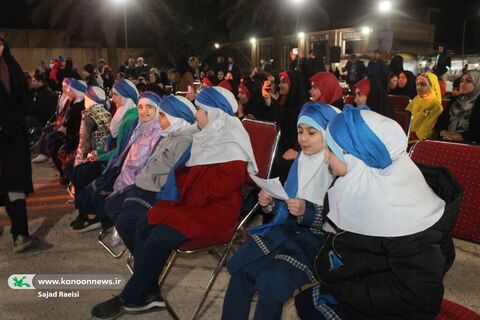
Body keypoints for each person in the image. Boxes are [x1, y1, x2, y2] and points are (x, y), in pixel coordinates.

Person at [90, 86, 257, 319]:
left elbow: (222, 187)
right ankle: (149, 292)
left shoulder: (232, 145)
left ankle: (129, 297)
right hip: (195, 203)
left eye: (199, 109)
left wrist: (185, 189)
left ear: (214, 115)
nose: (195, 114)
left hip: (216, 212)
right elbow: (189, 175)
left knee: (160, 236)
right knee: (146, 222)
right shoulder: (207, 135)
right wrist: (183, 186)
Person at [295, 106, 462, 320]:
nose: (325, 155)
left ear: (354, 157)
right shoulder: (358, 182)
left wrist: (344, 286)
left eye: (331, 149)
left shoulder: (404, 216)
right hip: (362, 282)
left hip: (391, 309)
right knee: (305, 303)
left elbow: (416, 291)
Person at [222, 102, 339, 320]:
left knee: (271, 282)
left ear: (327, 134)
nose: (303, 138)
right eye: (300, 131)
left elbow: (341, 220)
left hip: (316, 243)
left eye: (312, 132)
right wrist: (270, 202)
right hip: (285, 232)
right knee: (242, 270)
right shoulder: (301, 160)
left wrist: (308, 210)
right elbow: (288, 201)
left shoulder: (336, 166)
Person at [105, 94, 197, 252]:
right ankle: (139, 249)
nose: (158, 119)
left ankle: (141, 255)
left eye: (162, 115)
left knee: (126, 220)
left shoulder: (184, 141)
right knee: (111, 205)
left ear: (176, 117)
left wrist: (144, 183)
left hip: (156, 192)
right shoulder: (169, 134)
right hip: (144, 184)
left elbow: (174, 179)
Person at [73, 91, 164, 233]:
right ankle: (92, 216)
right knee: (84, 175)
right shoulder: (137, 125)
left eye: (149, 107)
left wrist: (103, 157)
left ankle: (106, 221)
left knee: (100, 192)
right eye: (140, 107)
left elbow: (145, 162)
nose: (144, 111)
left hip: (135, 177)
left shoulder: (157, 131)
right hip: (122, 168)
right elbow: (123, 150)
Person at [0, 33, 39, 252]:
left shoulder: (12, 68)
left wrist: (9, 123)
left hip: (13, 136)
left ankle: (20, 235)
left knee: (14, 185)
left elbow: (23, 103)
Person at [271, 70, 308, 182]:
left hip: (293, 152)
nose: (279, 85)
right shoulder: (283, 102)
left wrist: (296, 148)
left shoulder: (302, 107)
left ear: (292, 84)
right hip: (280, 148)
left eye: (283, 82)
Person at [435, 70, 480, 143]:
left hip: (471, 147)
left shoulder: (478, 104)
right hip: (446, 142)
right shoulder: (455, 100)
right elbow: (440, 121)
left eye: (468, 81)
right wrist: (442, 132)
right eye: (462, 81)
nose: (462, 84)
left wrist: (462, 137)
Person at [406, 72, 443, 142]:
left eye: (423, 84)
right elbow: (407, 115)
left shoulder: (435, 105)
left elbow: (428, 128)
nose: (419, 87)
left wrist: (413, 135)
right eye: (417, 84)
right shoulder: (416, 99)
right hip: (409, 134)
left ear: (431, 86)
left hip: (421, 139)